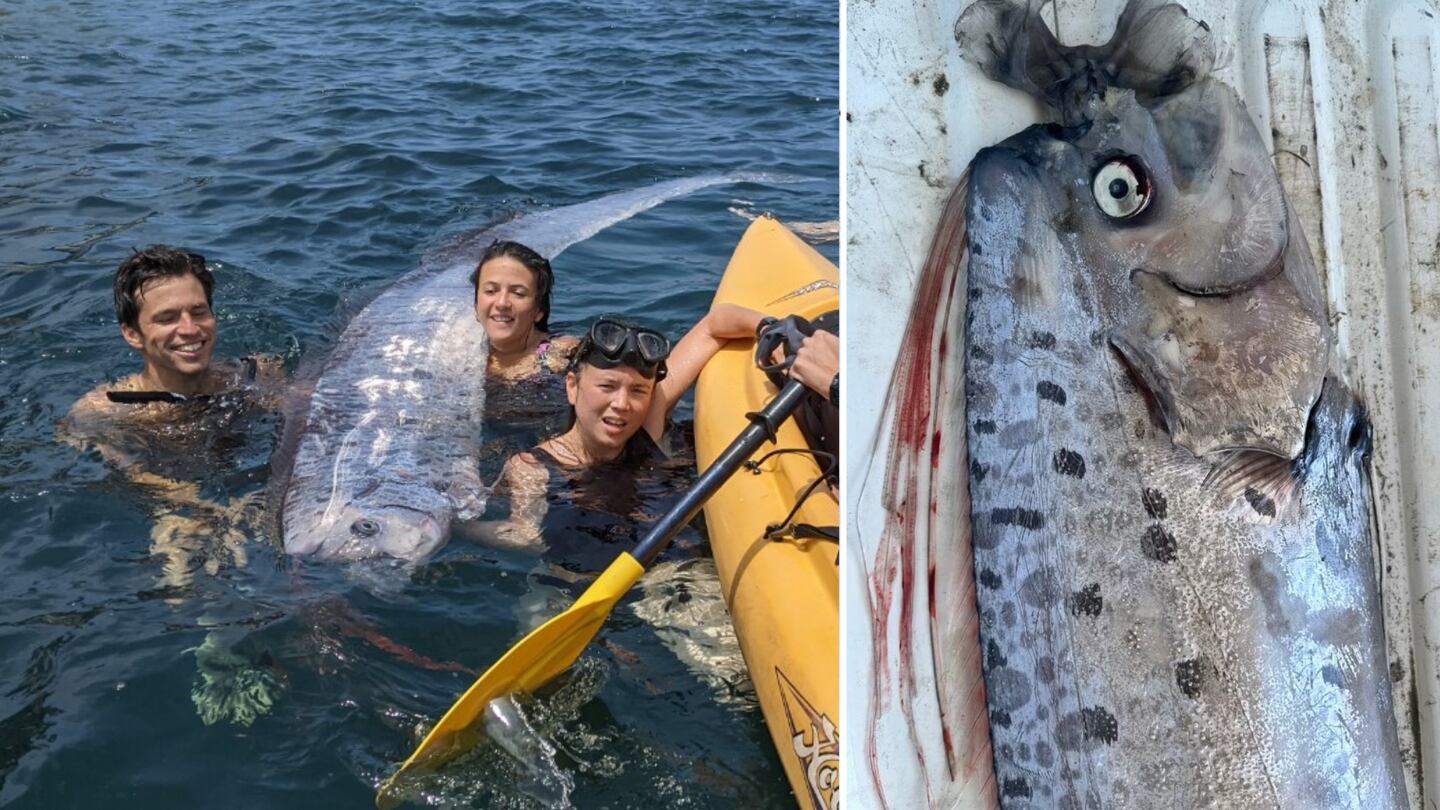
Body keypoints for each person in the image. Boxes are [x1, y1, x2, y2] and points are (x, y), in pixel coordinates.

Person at [469, 303, 766, 565]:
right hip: (573, 585)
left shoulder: (647, 423)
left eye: (638, 390)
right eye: (607, 387)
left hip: (674, 574)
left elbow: (714, 327)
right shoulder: (533, 467)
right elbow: (525, 536)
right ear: (572, 387)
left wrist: (771, 329)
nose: (622, 404)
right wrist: (457, 527)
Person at [470, 240, 579, 382]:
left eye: (518, 293)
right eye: (491, 291)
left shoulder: (560, 355)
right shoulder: (463, 355)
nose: (502, 303)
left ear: (539, 310)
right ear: (476, 304)